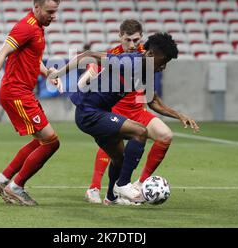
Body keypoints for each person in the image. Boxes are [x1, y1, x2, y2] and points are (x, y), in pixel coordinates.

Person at [48, 32, 179, 204]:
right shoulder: (129, 61)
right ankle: (123, 184)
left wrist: (179, 115)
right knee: (140, 132)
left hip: (99, 112)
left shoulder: (144, 71)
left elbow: (151, 101)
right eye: (164, 61)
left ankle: (111, 196)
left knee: (119, 158)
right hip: (89, 113)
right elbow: (88, 56)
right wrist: (58, 73)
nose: (164, 66)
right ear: (152, 54)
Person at [79, 20, 199, 204]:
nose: (132, 44)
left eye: (136, 40)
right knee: (112, 146)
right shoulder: (115, 55)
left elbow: (152, 99)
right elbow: (91, 65)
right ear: (120, 37)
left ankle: (138, 185)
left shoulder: (148, 57)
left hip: (137, 110)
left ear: (141, 39)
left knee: (165, 135)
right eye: (128, 40)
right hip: (116, 109)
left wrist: (179, 115)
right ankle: (95, 187)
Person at [0, 0, 62, 206]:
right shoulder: (25, 27)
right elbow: (0, 55)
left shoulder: (38, 29)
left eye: (55, 12)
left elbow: (32, 59)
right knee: (52, 142)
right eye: (49, 12)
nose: (53, 16)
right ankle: (16, 186)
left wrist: (47, 73)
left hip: (23, 92)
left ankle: (2, 179)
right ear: (36, 7)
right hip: (16, 92)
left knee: (41, 140)